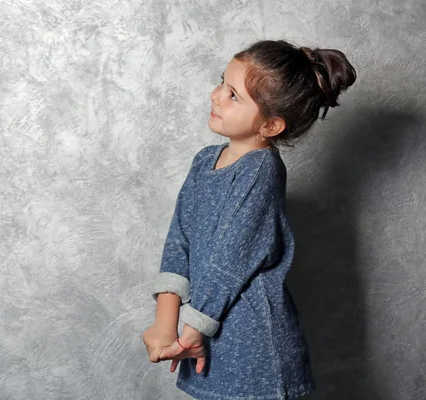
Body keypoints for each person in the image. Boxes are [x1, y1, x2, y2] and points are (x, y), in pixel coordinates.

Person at [142, 39, 357, 400]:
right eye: (221, 82)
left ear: (271, 125)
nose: (216, 95)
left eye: (233, 95)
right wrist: (165, 323)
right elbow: (179, 238)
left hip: (253, 343)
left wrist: (191, 330)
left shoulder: (262, 169)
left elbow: (229, 261)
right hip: (207, 331)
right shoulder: (203, 161)